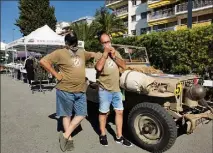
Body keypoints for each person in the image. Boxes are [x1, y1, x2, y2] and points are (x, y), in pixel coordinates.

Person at [39, 31, 96, 152]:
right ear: (66, 43)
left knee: (81, 114)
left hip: (80, 89)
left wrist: (101, 53)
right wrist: (55, 74)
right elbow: (43, 61)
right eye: (71, 42)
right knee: (67, 115)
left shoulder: (81, 52)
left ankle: (65, 134)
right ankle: (69, 138)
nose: (73, 44)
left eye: (74, 41)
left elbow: (91, 54)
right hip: (65, 89)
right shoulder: (60, 52)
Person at [95, 31, 133, 147]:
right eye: (105, 42)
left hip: (116, 89)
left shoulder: (116, 53)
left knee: (119, 112)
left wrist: (114, 56)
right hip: (104, 89)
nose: (107, 44)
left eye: (108, 42)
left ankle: (119, 136)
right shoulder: (98, 55)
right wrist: (105, 54)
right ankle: (103, 134)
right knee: (104, 113)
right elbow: (99, 67)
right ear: (101, 44)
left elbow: (124, 65)